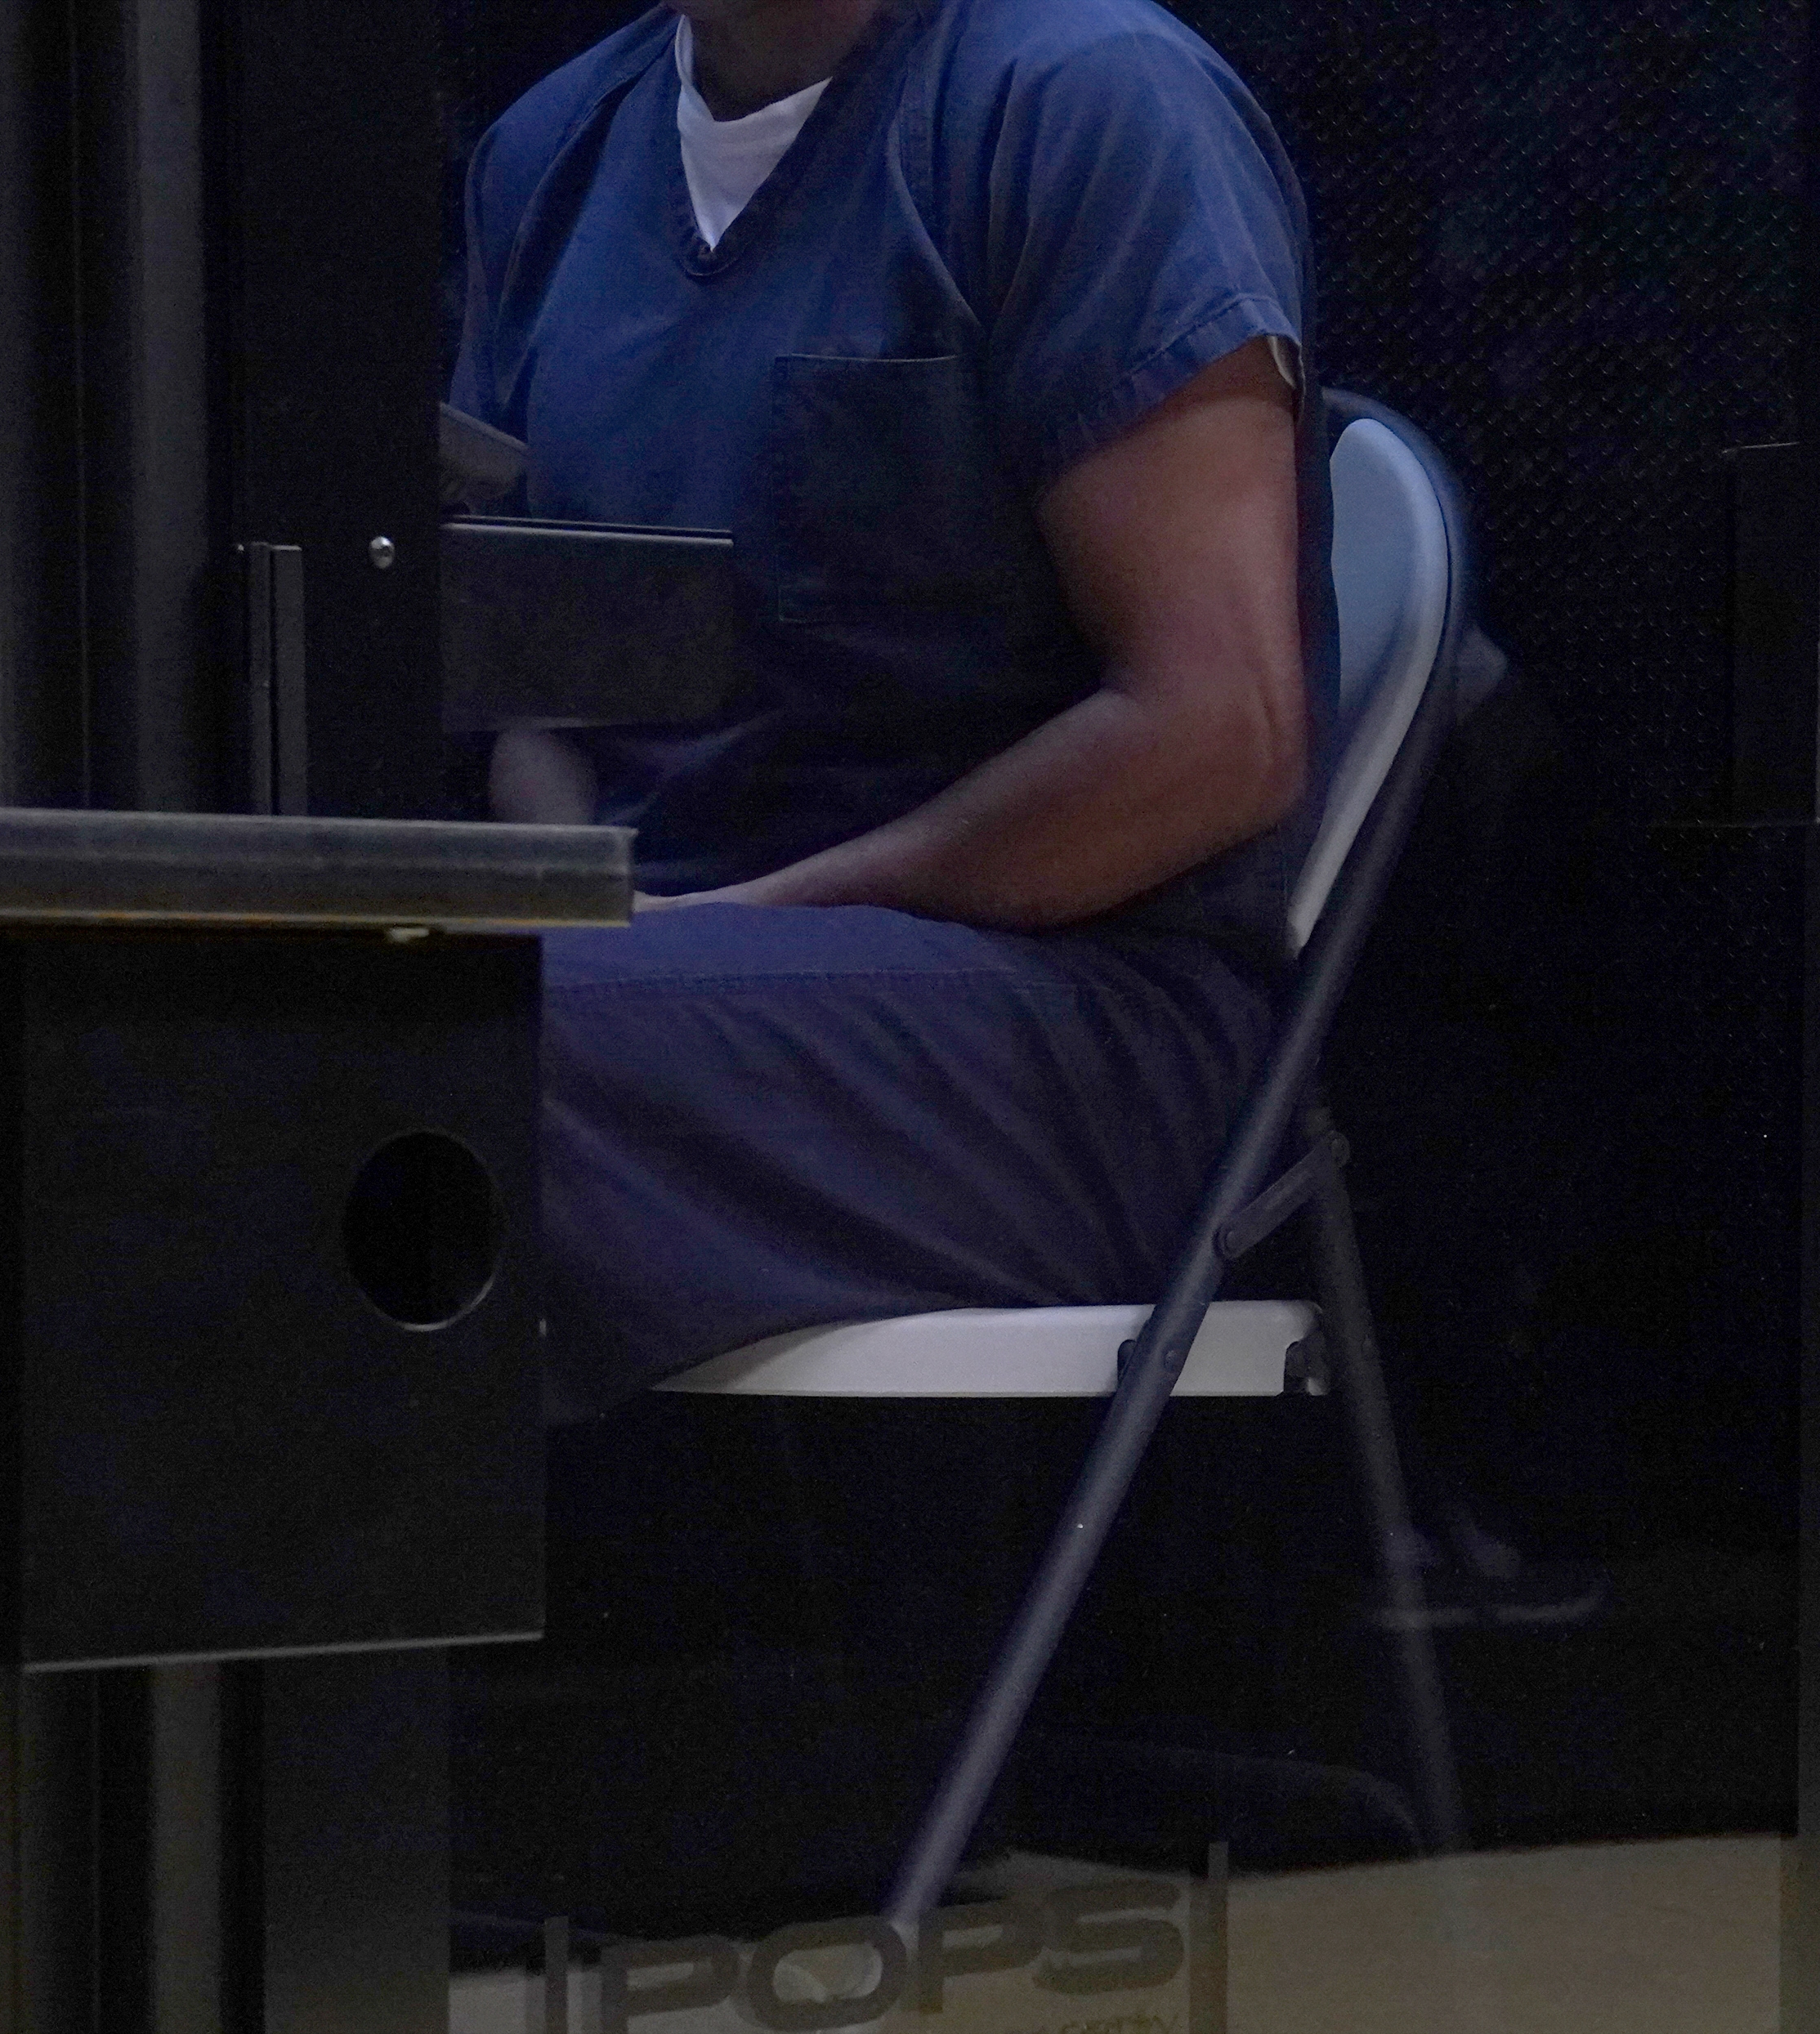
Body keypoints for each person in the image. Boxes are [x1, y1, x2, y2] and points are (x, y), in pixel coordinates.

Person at [451, 0, 1324, 1419]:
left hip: (1069, 1016)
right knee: (306, 1013)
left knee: (412, 1053)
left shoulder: (1083, 99)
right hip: (659, 979)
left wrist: (739, 922)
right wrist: (581, 890)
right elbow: (535, 675)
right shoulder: (546, 154)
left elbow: (1220, 734)